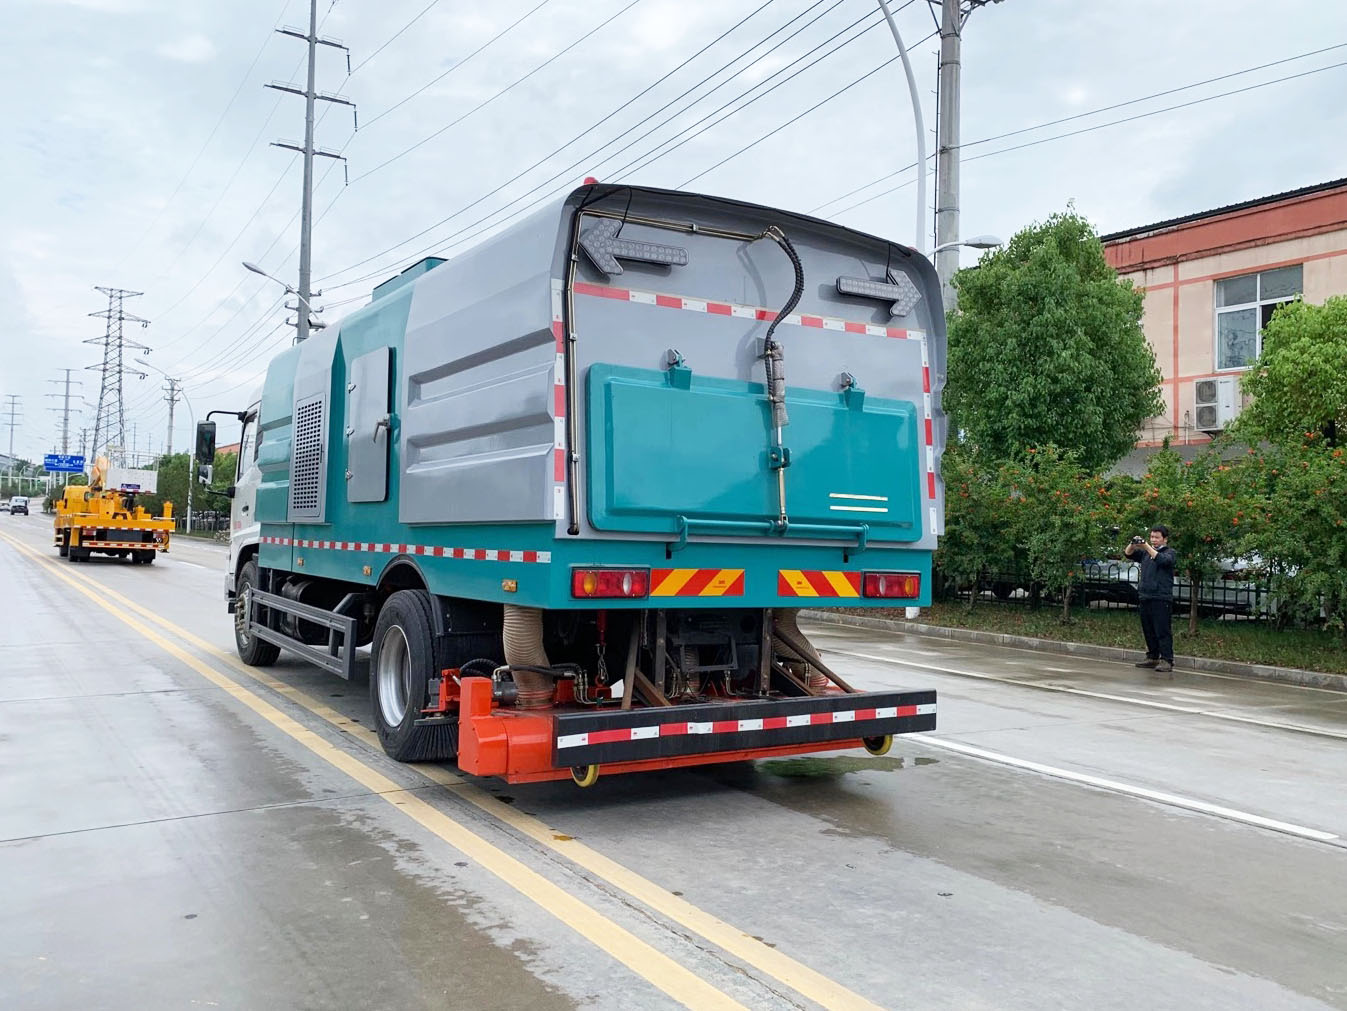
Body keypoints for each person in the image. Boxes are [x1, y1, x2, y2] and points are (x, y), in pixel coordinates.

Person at [1124, 524, 1177, 673]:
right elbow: (1128, 554)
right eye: (1152, 537)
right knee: (1148, 630)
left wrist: (1146, 546)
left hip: (1161, 597)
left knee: (1162, 630)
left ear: (1165, 539)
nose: (1153, 540)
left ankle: (1167, 660)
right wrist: (1133, 543)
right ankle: (1152, 657)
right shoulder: (1146, 554)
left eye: (1157, 537)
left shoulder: (1170, 553)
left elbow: (1162, 560)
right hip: (1145, 596)